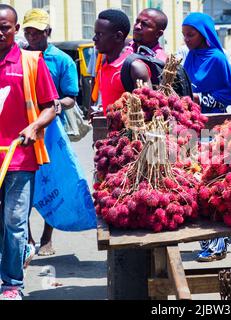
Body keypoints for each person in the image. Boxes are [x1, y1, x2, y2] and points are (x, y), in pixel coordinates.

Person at [0, 4, 57, 300]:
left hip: (19, 157)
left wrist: (34, 127)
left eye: (5, 27)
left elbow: (51, 105)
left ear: (15, 29)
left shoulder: (30, 62)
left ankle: (11, 284)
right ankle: (18, 251)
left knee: (13, 221)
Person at [182, 12, 231, 261]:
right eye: (184, 34)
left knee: (215, 184)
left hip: (216, 130)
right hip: (193, 129)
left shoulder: (217, 59)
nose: (186, 39)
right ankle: (208, 240)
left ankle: (219, 241)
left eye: (191, 34)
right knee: (197, 183)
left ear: (204, 34)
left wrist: (200, 98)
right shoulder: (190, 58)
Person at [22, 8, 79, 256]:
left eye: (37, 31)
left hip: (51, 131)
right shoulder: (17, 57)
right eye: (28, 31)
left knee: (51, 184)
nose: (32, 36)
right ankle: (28, 239)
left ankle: (47, 237)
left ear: (48, 32)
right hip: (21, 129)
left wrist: (56, 104)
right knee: (22, 184)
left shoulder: (62, 60)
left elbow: (71, 98)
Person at [93, 9, 151, 115]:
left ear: (118, 36)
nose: (94, 38)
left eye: (100, 34)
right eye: (95, 33)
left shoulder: (135, 68)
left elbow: (149, 111)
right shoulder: (104, 63)